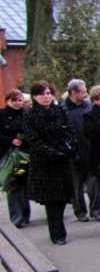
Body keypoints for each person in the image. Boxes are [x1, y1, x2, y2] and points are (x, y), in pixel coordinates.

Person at [22, 81, 79, 245]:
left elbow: (70, 131)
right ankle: (57, 233)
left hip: (62, 160)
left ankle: (59, 229)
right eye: (42, 94)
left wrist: (69, 148)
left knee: (62, 198)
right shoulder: (30, 115)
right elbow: (34, 141)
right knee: (52, 200)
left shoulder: (60, 110)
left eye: (48, 93)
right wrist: (53, 153)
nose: (46, 97)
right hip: (44, 163)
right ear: (34, 97)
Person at [63, 78, 98, 222]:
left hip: (91, 152)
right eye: (83, 92)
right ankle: (80, 211)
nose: (85, 94)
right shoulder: (63, 110)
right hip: (74, 154)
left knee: (93, 183)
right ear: (73, 93)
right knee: (76, 186)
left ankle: (96, 210)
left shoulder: (89, 106)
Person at [0, 89, 31, 228]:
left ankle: (25, 214)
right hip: (7, 154)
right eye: (14, 100)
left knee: (24, 184)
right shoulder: (2, 115)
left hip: (25, 153)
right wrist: (10, 140)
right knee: (12, 185)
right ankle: (16, 217)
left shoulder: (26, 114)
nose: (18, 103)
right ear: (8, 100)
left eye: (20, 100)